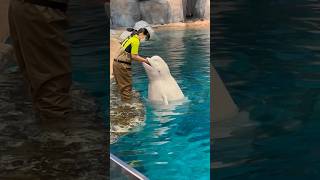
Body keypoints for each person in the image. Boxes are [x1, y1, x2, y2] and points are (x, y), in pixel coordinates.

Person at [8, 0, 72, 124]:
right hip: (42, 9)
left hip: (26, 6)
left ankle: (47, 134)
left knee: (39, 88)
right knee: (53, 94)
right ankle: (57, 139)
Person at [113, 28, 150, 102]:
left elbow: (125, 50)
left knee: (120, 86)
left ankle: (120, 103)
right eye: (144, 37)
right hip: (122, 65)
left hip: (116, 63)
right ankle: (127, 108)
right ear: (142, 34)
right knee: (126, 87)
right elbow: (134, 56)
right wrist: (146, 61)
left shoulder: (130, 37)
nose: (143, 39)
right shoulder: (136, 40)